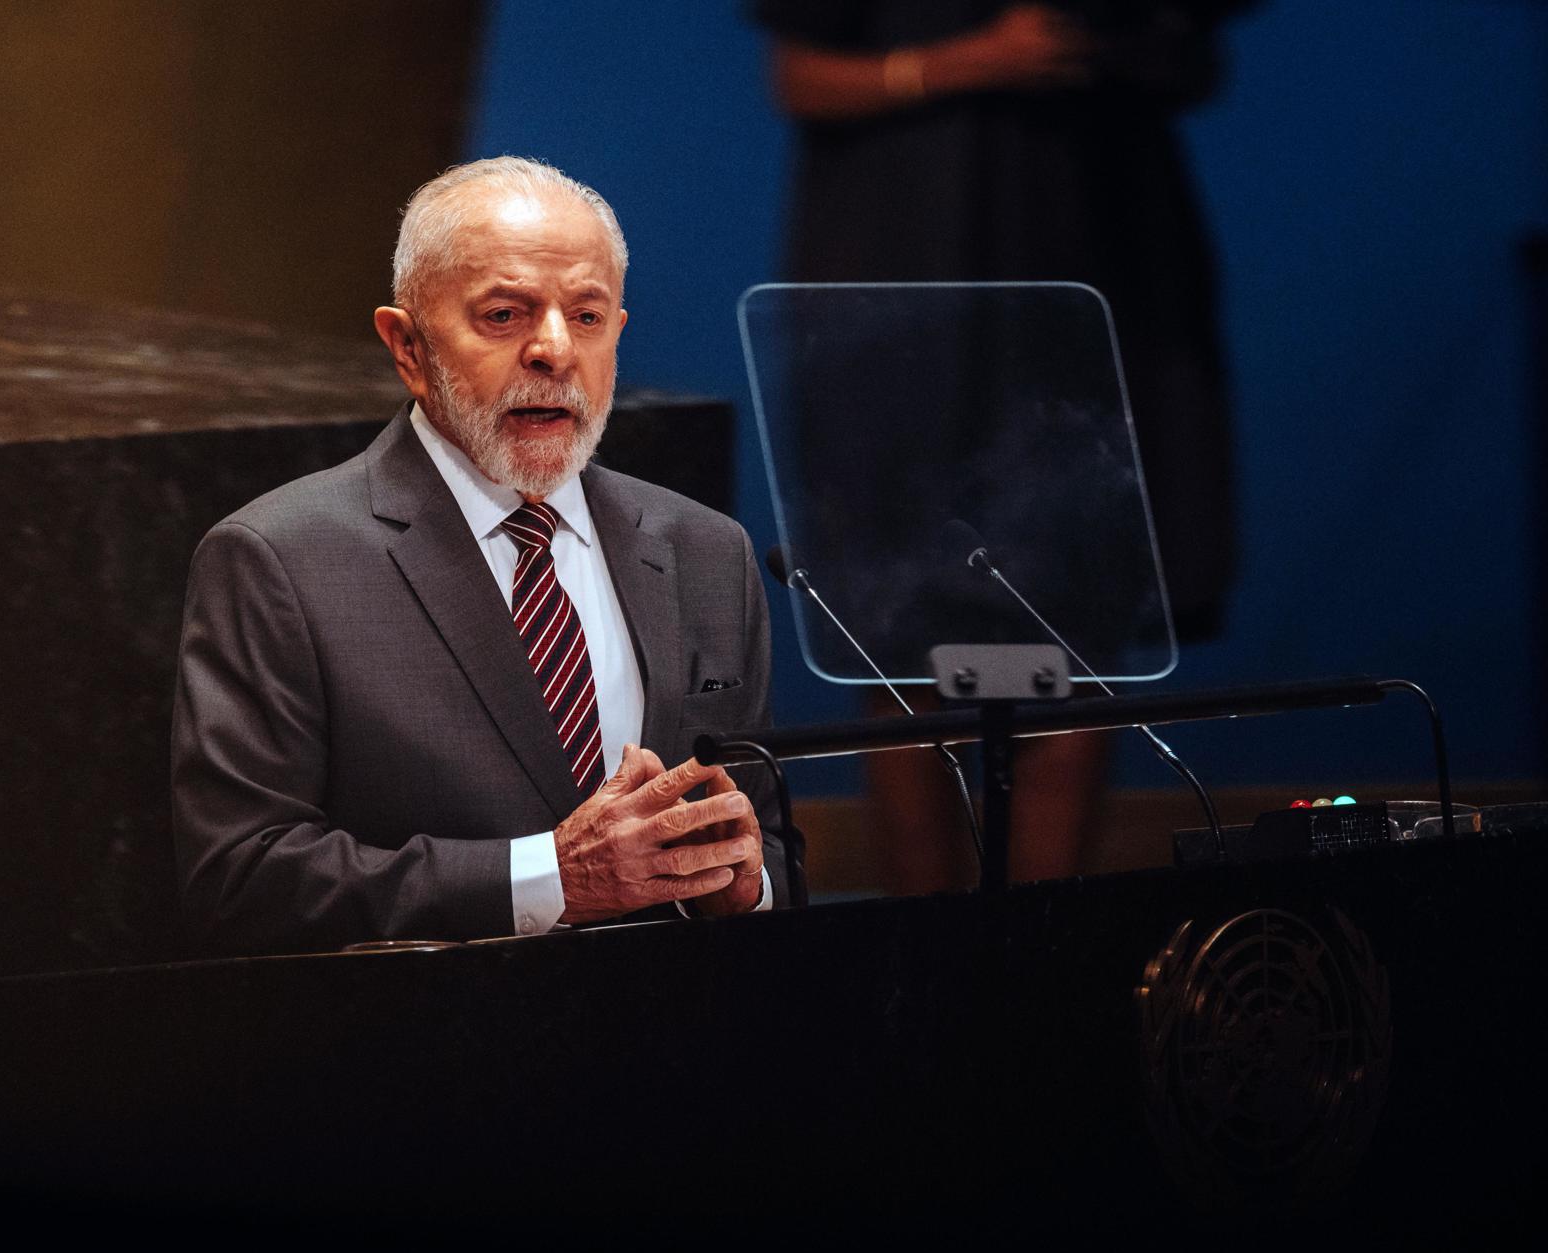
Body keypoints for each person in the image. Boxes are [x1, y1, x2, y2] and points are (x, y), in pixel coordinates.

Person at [171, 157, 783, 955]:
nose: (555, 351)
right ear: (408, 346)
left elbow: (773, 840)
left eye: (588, 317)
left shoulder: (708, 551)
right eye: (505, 315)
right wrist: (550, 878)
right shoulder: (281, 561)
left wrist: (745, 884)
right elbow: (241, 878)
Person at [756, 1, 1243, 891]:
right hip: (900, 281)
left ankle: (1037, 959)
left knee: (1075, 622)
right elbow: (800, 75)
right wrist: (971, 60)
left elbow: (1196, 60)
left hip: (1096, 268)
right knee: (907, 634)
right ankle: (930, 959)